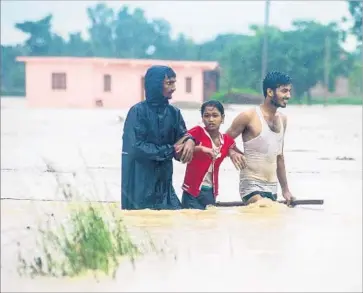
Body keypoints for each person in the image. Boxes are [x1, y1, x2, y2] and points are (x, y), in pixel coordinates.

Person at [121, 65, 196, 210]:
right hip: (139, 188)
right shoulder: (137, 112)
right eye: (169, 83)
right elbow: (136, 148)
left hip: (165, 189)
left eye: (174, 83)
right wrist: (171, 150)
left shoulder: (174, 113)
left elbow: (182, 138)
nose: (174, 88)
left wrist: (190, 141)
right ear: (155, 84)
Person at [227, 71, 295, 206]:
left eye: (289, 91)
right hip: (251, 186)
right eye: (284, 91)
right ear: (270, 92)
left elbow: (279, 157)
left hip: (272, 187)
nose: (288, 96)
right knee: (263, 208)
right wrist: (232, 152)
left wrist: (285, 190)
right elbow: (222, 140)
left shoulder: (283, 119)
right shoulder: (249, 116)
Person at [181, 100, 242, 210]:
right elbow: (178, 149)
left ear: (222, 118)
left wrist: (232, 152)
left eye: (215, 115)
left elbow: (239, 153)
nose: (211, 120)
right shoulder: (197, 132)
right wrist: (200, 149)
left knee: (209, 224)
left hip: (210, 192)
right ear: (202, 118)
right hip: (191, 192)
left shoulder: (226, 140)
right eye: (206, 116)